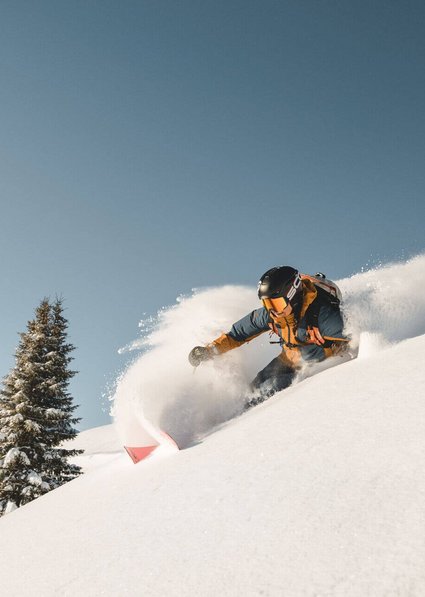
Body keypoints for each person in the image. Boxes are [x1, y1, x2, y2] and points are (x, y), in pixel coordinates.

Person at [188, 266, 349, 408]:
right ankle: (226, 421)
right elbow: (237, 334)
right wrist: (208, 351)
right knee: (255, 387)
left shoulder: (324, 317)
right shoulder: (272, 315)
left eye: (277, 304)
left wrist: (344, 350)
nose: (272, 311)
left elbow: (357, 333)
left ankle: (241, 424)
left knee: (270, 388)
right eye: (268, 304)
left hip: (314, 367)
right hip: (288, 359)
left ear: (292, 296)